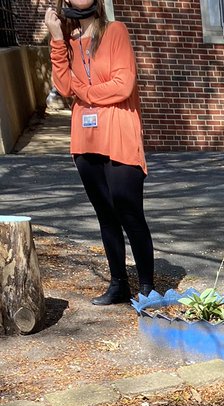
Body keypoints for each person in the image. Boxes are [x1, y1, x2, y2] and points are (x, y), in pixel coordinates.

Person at [44, 0, 154, 305]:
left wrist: (86, 93)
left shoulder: (116, 31)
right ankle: (119, 284)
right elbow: (64, 87)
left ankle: (147, 286)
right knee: (105, 215)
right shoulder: (70, 41)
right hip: (85, 139)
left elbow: (123, 84)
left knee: (129, 212)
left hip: (118, 134)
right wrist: (56, 38)